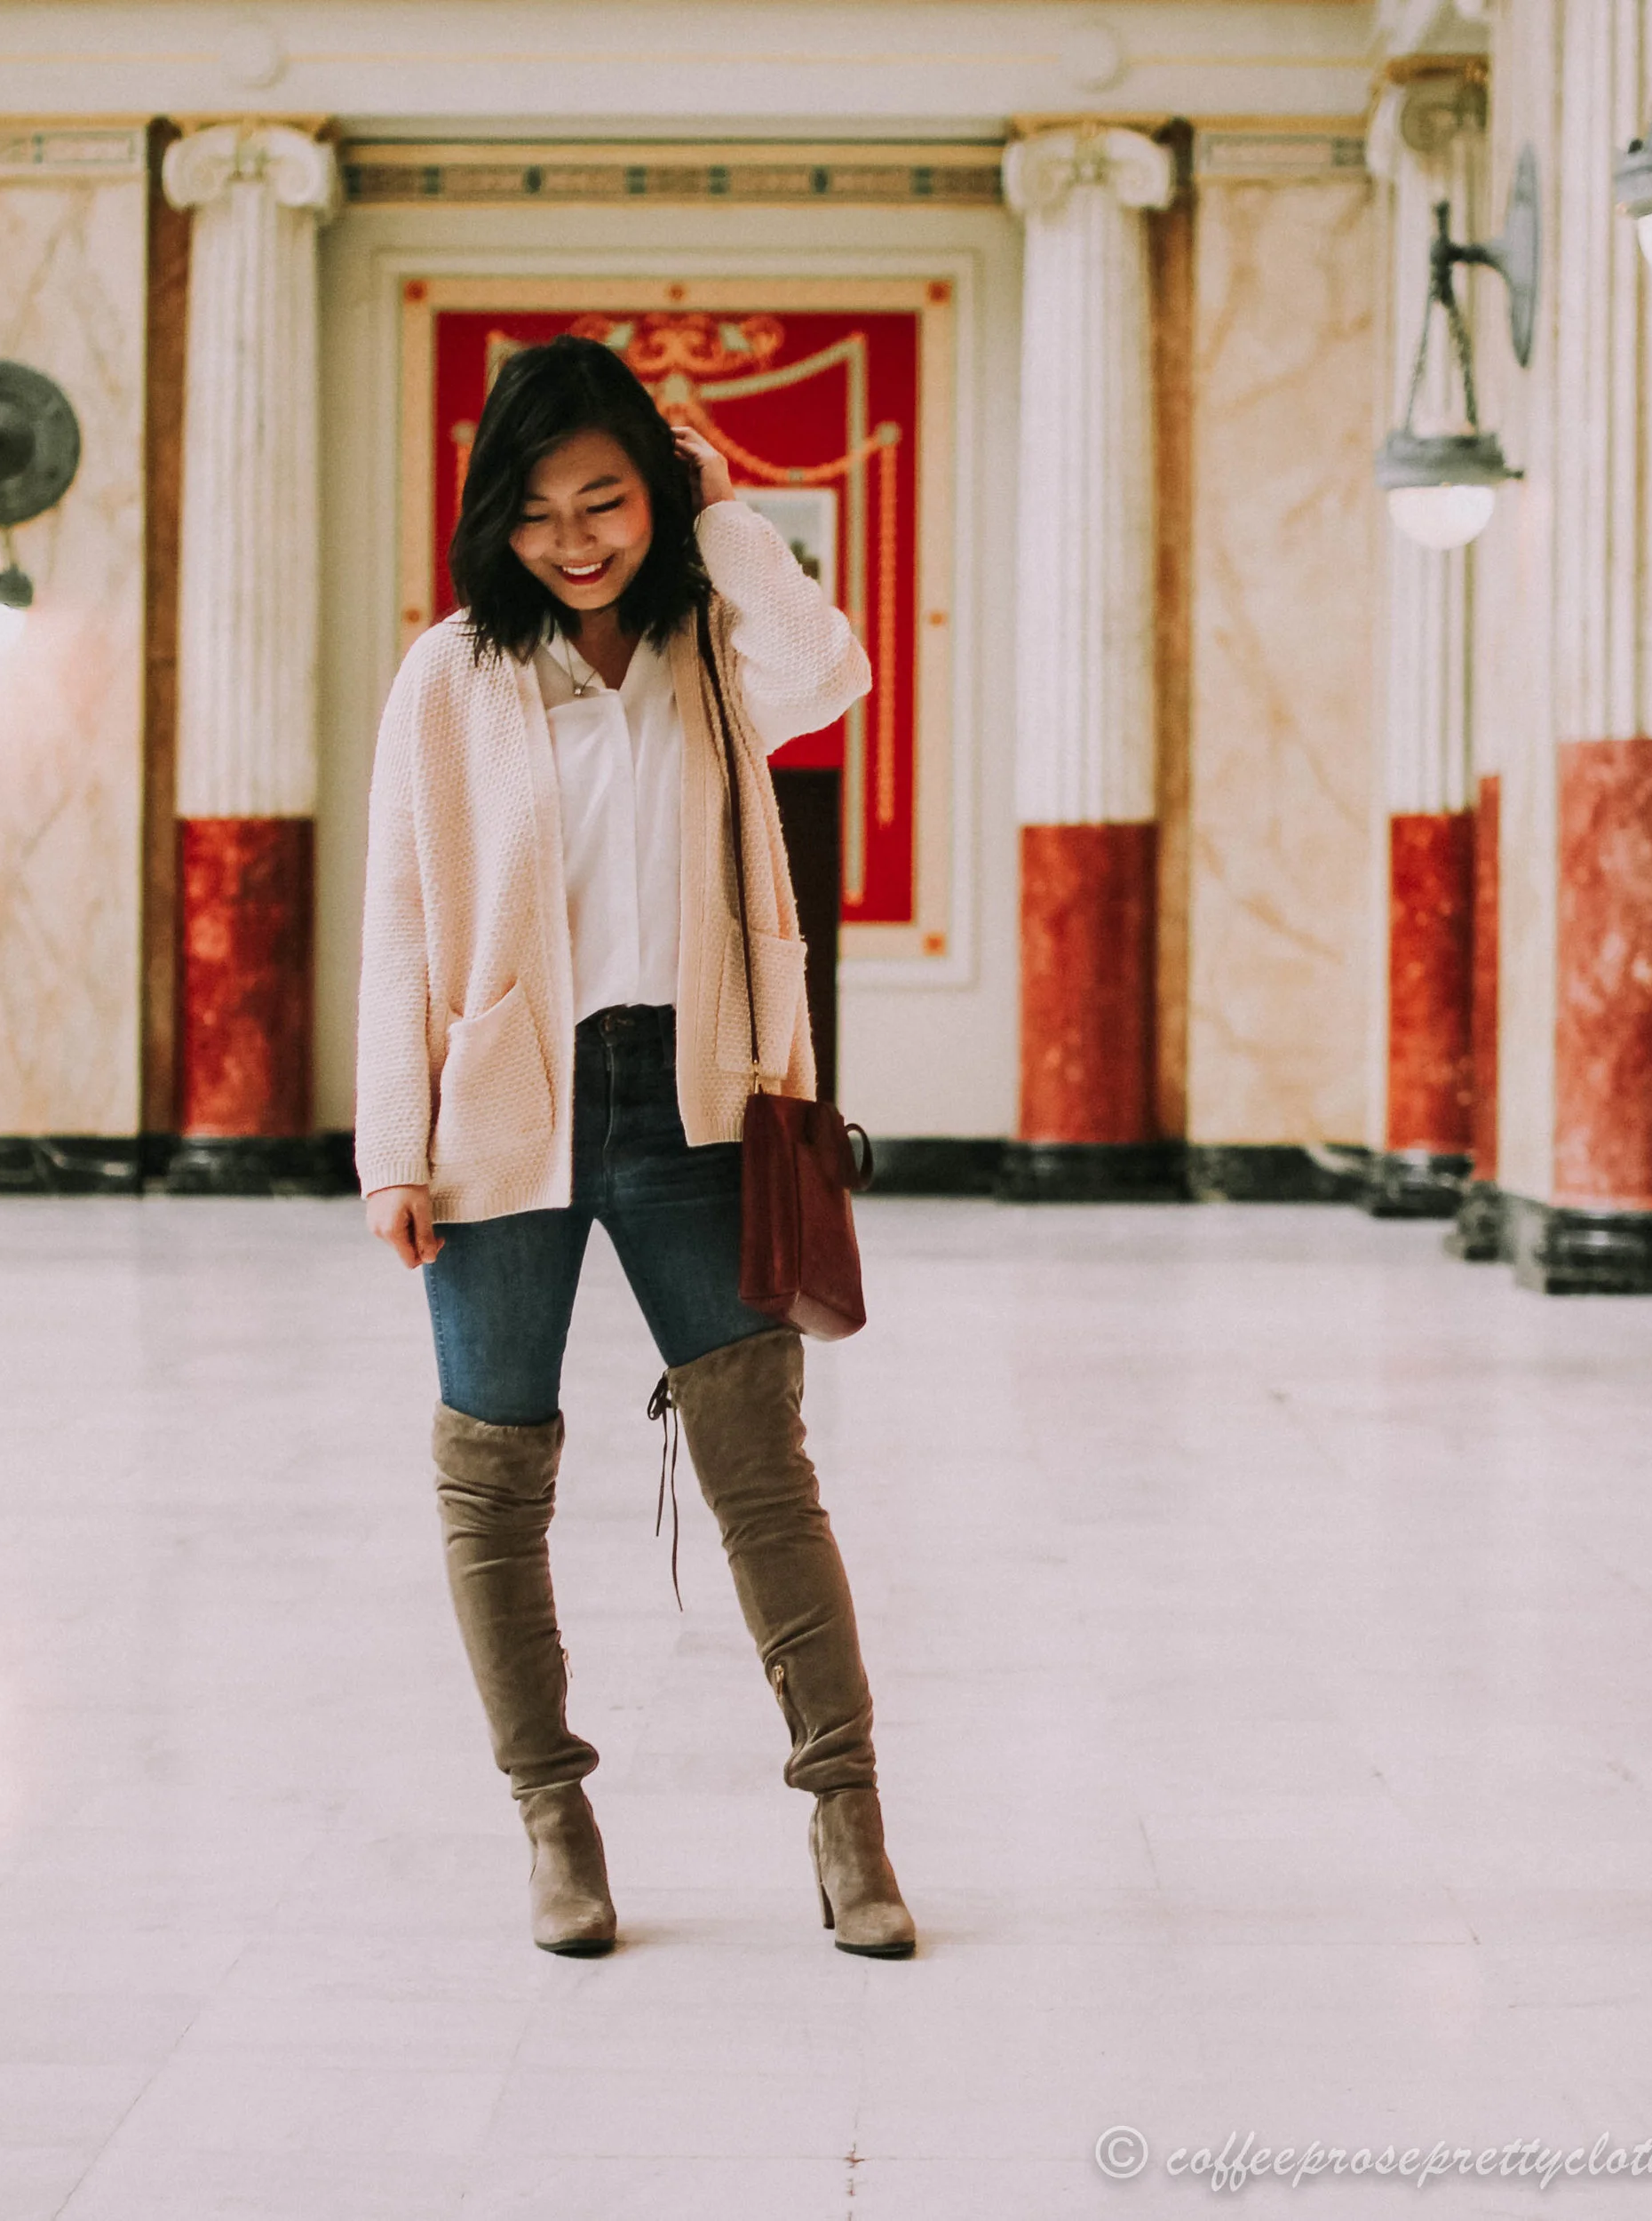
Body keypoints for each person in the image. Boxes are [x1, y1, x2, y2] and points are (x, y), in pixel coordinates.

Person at [355, 333, 914, 1960]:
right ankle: (554, 1821)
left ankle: (848, 1815)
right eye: (540, 513)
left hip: (700, 1099)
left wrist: (719, 509)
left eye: (608, 499)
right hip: (503, 1106)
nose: (579, 537)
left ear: (653, 497)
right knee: (491, 1480)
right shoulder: (449, 673)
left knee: (763, 1472)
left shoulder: (715, 642)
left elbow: (836, 673)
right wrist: (398, 1145)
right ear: (494, 521)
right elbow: (400, 919)